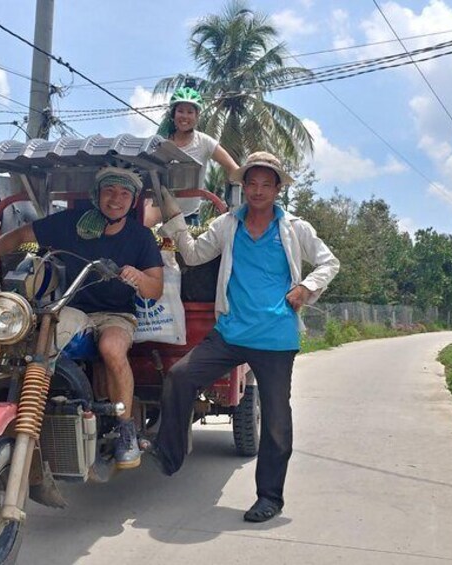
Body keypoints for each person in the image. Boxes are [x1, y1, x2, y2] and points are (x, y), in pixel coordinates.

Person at [145, 151, 340, 522]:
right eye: (252, 182)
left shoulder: (295, 227)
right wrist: (172, 218)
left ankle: (269, 498)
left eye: (267, 184)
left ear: (278, 189)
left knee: (278, 421)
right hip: (230, 332)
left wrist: (305, 287)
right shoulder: (227, 224)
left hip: (276, 338)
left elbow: (329, 262)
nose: (258, 190)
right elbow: (195, 254)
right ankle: (168, 455)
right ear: (243, 185)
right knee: (181, 376)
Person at [0, 166, 164, 469]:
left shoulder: (140, 237)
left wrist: (138, 276)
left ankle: (125, 427)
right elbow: (22, 234)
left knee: (112, 349)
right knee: (37, 342)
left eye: (125, 194)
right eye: (110, 191)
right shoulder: (70, 224)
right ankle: (31, 409)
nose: (116, 199)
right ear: (97, 194)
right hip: (71, 308)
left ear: (133, 200)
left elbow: (155, 289)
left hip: (116, 315)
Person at [146, 86, 239, 226]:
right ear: (173, 114)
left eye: (190, 112)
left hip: (189, 218)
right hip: (161, 215)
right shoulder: (161, 143)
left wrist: (235, 203)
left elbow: (233, 169)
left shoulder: (204, 142)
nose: (185, 116)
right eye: (180, 111)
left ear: (197, 116)